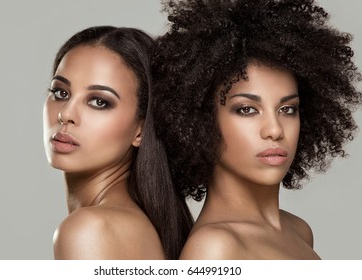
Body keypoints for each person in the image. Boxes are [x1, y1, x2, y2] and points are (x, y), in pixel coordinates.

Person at [151, 0, 362, 259]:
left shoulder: (298, 230)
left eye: (287, 109)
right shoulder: (215, 248)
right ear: (200, 122)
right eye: (247, 109)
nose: (274, 130)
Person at [43, 26, 193, 259]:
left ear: (141, 130)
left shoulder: (90, 229)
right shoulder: (140, 225)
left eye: (99, 102)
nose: (66, 114)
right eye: (61, 93)